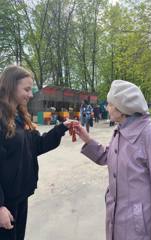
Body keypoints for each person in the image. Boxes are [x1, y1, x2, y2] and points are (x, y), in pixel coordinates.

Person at [74, 80, 151, 240]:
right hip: (116, 221)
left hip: (139, 230)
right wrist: (87, 140)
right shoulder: (121, 129)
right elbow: (109, 157)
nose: (107, 108)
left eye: (110, 104)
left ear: (122, 108)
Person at [0, 65, 72, 240]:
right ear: (10, 86)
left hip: (20, 196)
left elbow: (37, 145)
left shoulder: (19, 116)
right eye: (26, 89)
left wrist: (61, 128)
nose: (31, 95)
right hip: (5, 204)